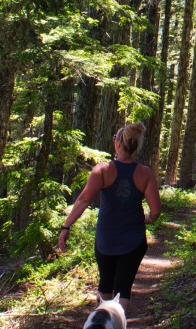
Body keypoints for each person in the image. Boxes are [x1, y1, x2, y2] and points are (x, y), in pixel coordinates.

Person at [57, 122, 162, 314]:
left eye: (115, 138)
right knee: (124, 289)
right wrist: (147, 219)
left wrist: (66, 227)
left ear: (120, 144)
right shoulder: (145, 173)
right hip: (134, 240)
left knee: (105, 285)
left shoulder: (102, 170)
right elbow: (156, 210)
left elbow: (83, 199)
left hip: (106, 240)